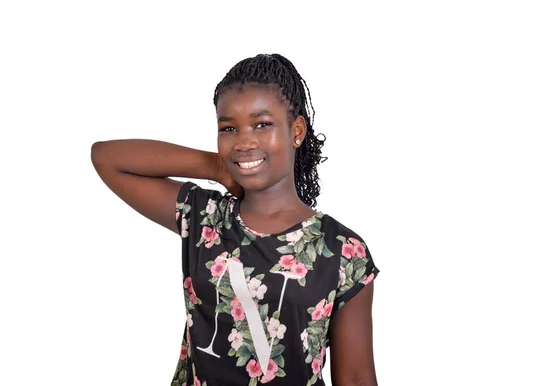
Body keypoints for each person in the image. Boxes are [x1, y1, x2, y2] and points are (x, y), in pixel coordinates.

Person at [91, 53, 380, 386]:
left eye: (262, 124)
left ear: (296, 130)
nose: (244, 141)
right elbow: (106, 157)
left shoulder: (343, 251)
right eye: (229, 128)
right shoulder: (204, 218)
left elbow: (356, 377)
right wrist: (216, 167)